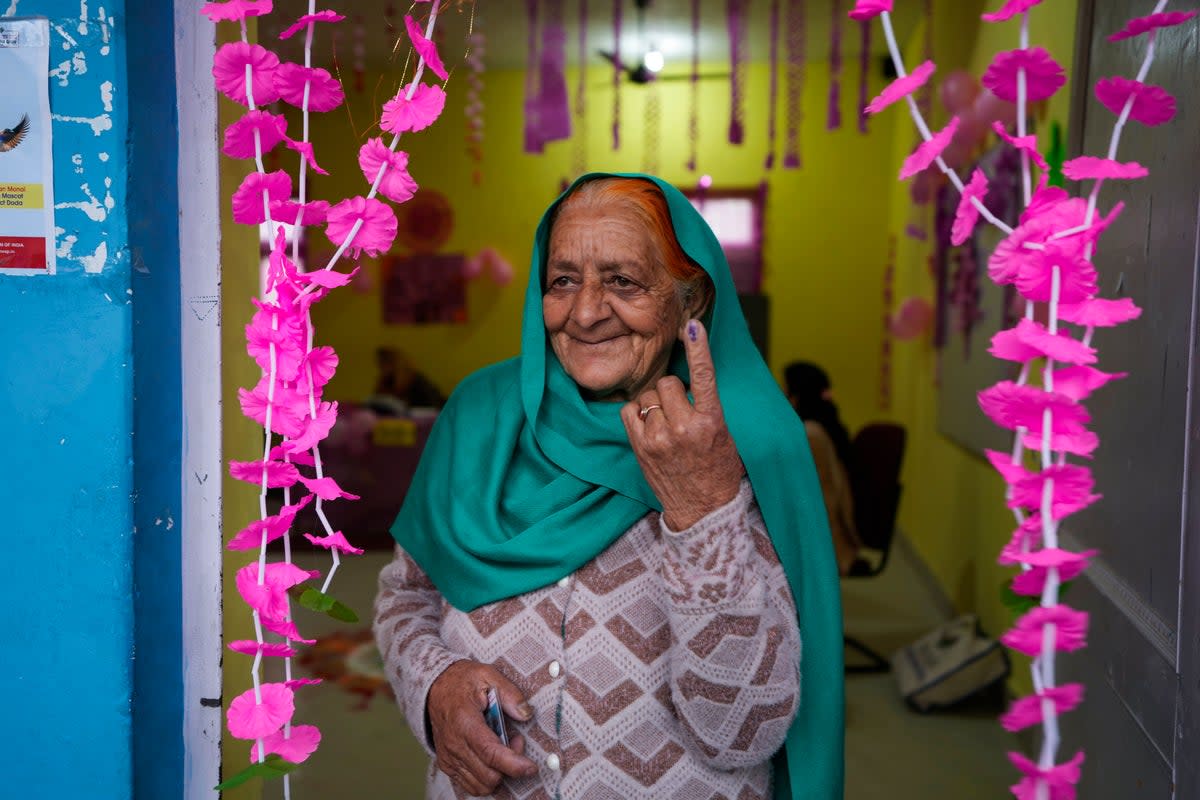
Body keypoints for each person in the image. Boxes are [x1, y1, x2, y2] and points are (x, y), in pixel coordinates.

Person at [374, 174, 843, 800]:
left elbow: (739, 733)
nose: (587, 312)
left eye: (622, 281)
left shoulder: (743, 441)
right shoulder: (480, 414)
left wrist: (703, 512)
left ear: (691, 300)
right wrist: (435, 684)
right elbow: (406, 596)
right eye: (563, 280)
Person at [784, 362, 863, 576]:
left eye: (785, 388)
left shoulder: (811, 435)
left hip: (826, 542)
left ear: (796, 395)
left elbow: (818, 502)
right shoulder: (824, 425)